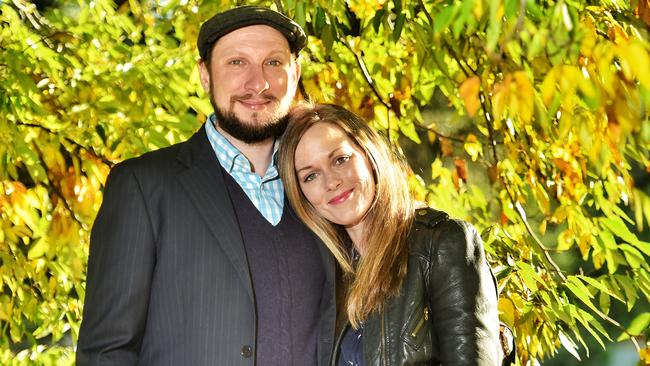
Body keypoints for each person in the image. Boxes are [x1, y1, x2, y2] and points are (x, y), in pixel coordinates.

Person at [76, 7, 336, 366]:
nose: (257, 83)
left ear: (296, 74)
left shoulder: (323, 190)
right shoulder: (144, 186)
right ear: (205, 75)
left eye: (273, 63)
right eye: (236, 63)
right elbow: (106, 353)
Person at [278, 103, 502, 365]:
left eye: (340, 159)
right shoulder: (327, 273)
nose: (331, 182)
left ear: (368, 154)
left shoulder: (440, 244)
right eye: (310, 176)